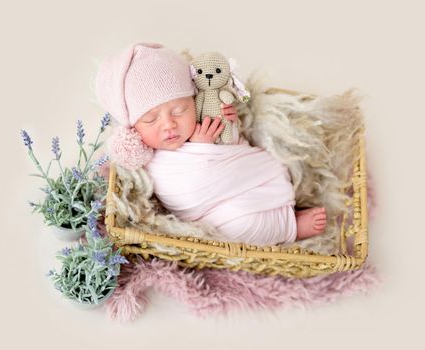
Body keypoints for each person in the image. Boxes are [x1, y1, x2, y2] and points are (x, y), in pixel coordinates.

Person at [96, 42, 327, 246]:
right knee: (238, 226)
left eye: (179, 110)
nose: (168, 124)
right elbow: (180, 193)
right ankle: (291, 228)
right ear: (133, 127)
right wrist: (199, 149)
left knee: (268, 181)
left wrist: (228, 127)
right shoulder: (148, 159)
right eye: (150, 119)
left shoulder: (205, 121)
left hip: (249, 183)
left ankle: (287, 214)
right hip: (211, 214)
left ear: (194, 102)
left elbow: (238, 149)